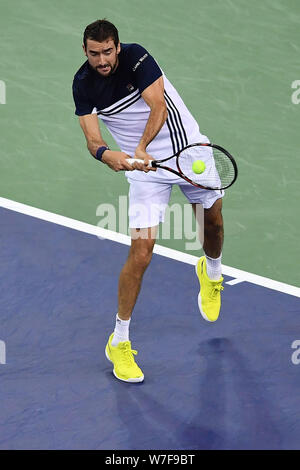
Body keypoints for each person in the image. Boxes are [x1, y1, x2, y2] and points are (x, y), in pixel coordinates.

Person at [72, 19, 224, 383]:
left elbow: (158, 107)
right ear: (85, 51)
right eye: (94, 53)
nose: (102, 59)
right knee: (141, 252)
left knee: (213, 223)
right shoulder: (84, 84)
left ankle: (212, 272)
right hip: (144, 173)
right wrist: (110, 155)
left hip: (187, 153)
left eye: (108, 51)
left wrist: (140, 147)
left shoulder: (137, 58)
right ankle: (119, 341)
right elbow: (93, 140)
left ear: (118, 47)